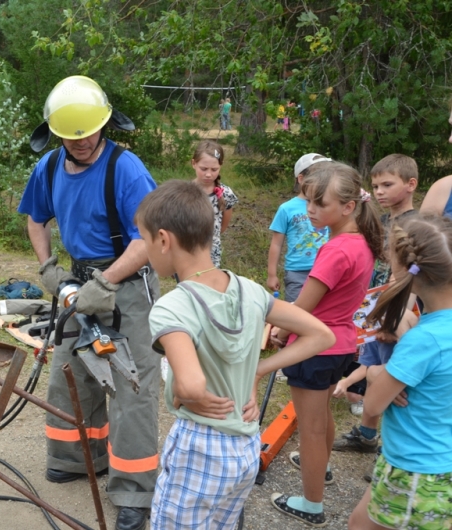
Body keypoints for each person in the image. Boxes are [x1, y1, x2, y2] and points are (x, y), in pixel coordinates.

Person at [137, 180, 335, 530]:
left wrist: (184, 394)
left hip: (200, 448)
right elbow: (321, 334)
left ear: (164, 240)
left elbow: (192, 383)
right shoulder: (251, 290)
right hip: (244, 446)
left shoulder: (172, 307)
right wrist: (260, 370)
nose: (146, 248)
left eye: (145, 239)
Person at [19, 75, 160, 530]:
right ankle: (78, 459)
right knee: (71, 373)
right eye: (70, 137)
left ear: (105, 124)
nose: (81, 144)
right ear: (56, 133)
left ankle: (135, 490)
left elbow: (148, 239)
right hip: (79, 283)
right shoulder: (49, 167)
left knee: (129, 384)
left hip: (127, 282)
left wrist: (108, 281)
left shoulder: (126, 168)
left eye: (88, 134)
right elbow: (36, 219)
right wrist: (48, 270)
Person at [270, 162, 382, 526]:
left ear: (348, 207)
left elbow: (304, 306)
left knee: (311, 428)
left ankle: (311, 503)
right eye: (308, 202)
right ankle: (322, 468)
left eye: (320, 204)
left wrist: (279, 329)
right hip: (341, 344)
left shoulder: (335, 250)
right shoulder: (361, 242)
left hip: (316, 347)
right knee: (319, 423)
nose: (310, 211)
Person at [348, 214, 452, 530]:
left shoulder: (424, 340)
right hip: (438, 460)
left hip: (415, 468)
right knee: (358, 523)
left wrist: (376, 374)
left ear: (406, 272)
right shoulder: (429, 333)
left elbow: (373, 405)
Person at [333, 154, 419, 455]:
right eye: (375, 186)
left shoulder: (416, 225)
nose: (380, 191)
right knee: (372, 363)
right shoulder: (381, 219)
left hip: (399, 311)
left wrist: (395, 315)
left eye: (387, 184)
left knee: (394, 378)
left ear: (411, 185)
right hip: (375, 303)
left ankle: (402, 451)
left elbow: (411, 276)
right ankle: (367, 435)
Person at [266, 153, 331, 302]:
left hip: (325, 268)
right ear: (301, 179)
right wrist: (271, 274)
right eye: (318, 179)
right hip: (297, 272)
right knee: (296, 313)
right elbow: (276, 243)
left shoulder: (328, 206)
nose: (323, 185)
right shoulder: (287, 208)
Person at [191, 140, 238, 267]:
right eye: (203, 169)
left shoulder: (226, 193)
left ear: (220, 166)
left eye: (214, 169)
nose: (208, 174)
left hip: (211, 254)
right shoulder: (183, 193)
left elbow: (222, 227)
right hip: (186, 251)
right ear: (193, 163)